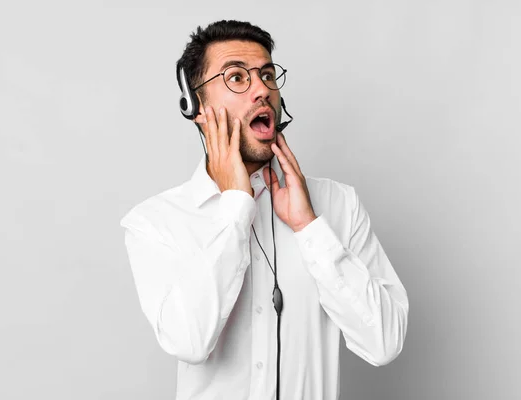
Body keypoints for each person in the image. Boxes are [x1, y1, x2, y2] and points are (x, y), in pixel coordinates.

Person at [120, 20, 409, 400]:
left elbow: (384, 342)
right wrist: (236, 209)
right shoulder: (155, 222)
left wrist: (309, 229)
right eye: (237, 77)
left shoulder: (338, 205)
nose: (262, 89)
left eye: (268, 75)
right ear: (196, 106)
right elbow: (189, 341)